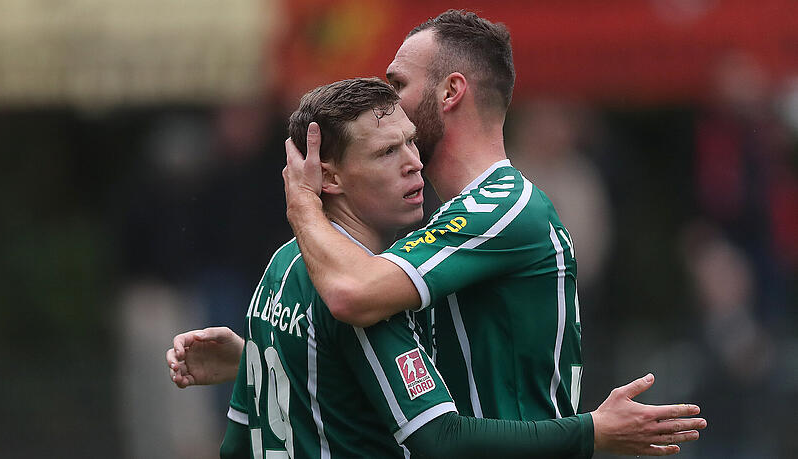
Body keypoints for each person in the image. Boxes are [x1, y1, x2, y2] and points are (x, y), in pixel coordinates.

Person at [169, 77, 705, 458]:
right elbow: (440, 439)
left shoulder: (280, 268)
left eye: (410, 142)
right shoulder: (364, 290)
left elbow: (238, 442)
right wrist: (592, 433)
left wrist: (265, 360)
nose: (413, 161)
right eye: (386, 152)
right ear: (327, 178)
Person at [280, 9, 704, 455]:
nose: (388, 105)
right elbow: (402, 357)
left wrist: (303, 202)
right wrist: (268, 351)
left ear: (450, 91)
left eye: (399, 84)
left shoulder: (500, 208)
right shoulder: (441, 213)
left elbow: (352, 294)